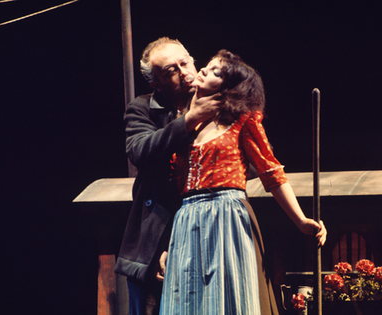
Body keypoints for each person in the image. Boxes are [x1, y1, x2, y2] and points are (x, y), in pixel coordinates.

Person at [159, 50, 327, 315]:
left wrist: (301, 220)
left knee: (229, 299)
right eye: (208, 66)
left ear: (229, 88)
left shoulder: (242, 121)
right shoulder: (186, 127)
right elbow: (174, 189)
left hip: (226, 216)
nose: (203, 70)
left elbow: (271, 172)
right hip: (187, 221)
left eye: (215, 72)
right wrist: (167, 244)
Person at [114, 37, 219, 315]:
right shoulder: (142, 108)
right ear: (156, 84)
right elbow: (139, 150)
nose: (184, 73)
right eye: (171, 70)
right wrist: (189, 121)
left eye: (184, 63)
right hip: (155, 240)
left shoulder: (220, 102)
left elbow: (251, 164)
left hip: (208, 234)